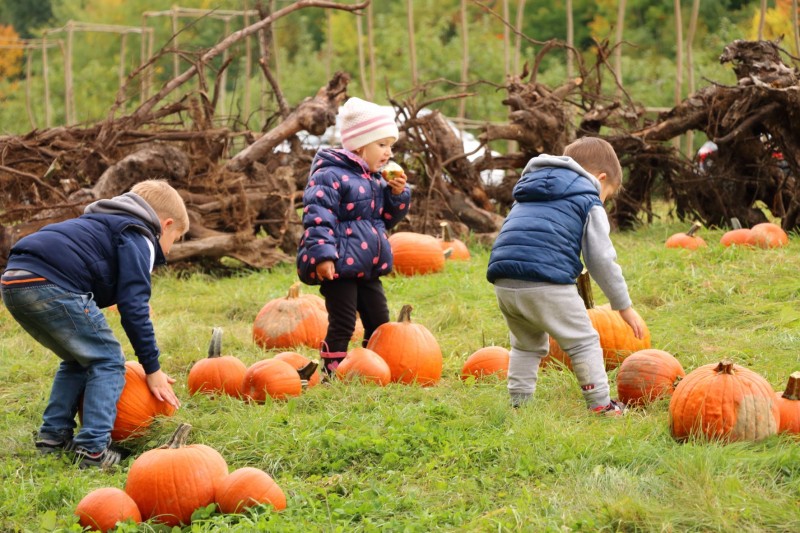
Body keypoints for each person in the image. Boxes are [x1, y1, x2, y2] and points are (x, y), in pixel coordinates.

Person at [1, 179, 187, 468]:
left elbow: (88, 264)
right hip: (52, 282)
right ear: (165, 224)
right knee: (109, 361)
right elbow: (133, 307)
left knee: (78, 358)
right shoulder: (139, 234)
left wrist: (120, 296)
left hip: (15, 280)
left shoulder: (105, 222)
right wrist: (152, 368)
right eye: (174, 240)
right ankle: (93, 450)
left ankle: (53, 436)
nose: (169, 250)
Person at [486, 137, 646, 415]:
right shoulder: (587, 198)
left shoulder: (530, 189)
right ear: (601, 177)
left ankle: (518, 404)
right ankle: (601, 406)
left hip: (504, 279)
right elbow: (601, 260)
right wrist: (623, 306)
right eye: (607, 193)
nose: (603, 199)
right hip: (546, 281)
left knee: (525, 345)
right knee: (583, 341)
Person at [297, 97, 411, 375]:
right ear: (360, 145)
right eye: (381, 145)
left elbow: (385, 219)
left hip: (367, 266)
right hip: (339, 267)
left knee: (379, 320)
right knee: (344, 321)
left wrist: (397, 195)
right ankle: (331, 372)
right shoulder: (330, 175)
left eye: (391, 146)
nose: (388, 152)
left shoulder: (375, 178)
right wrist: (323, 257)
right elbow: (317, 217)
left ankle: (370, 369)